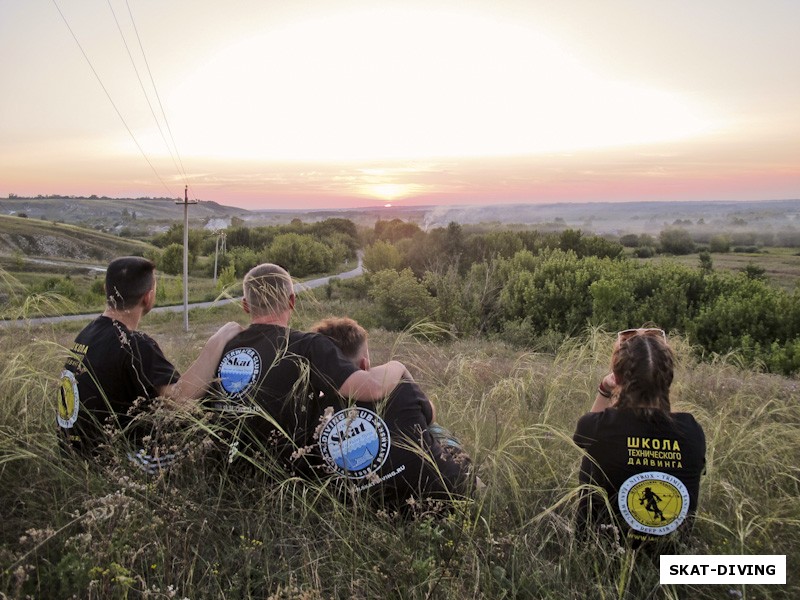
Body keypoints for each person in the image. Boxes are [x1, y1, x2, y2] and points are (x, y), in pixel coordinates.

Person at [209, 264, 410, 477]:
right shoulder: (308, 345)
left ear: (245, 305)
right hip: (284, 481)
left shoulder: (223, 347)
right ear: (291, 301)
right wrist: (398, 365)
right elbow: (372, 388)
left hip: (222, 476)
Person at [57, 256, 243, 472]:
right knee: (209, 438)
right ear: (148, 297)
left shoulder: (87, 334)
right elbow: (178, 400)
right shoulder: (134, 344)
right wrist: (218, 341)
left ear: (105, 289)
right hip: (112, 463)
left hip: (73, 458)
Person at [310, 317, 476, 507]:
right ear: (364, 365)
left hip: (365, 515)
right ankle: (479, 489)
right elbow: (430, 417)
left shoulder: (310, 412)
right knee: (437, 430)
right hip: (446, 496)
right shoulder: (398, 387)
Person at [573, 328, 706, 547]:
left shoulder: (598, 426)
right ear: (668, 379)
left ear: (617, 378)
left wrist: (605, 390)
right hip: (668, 554)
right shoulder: (691, 431)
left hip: (601, 552)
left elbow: (582, 438)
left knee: (594, 452)